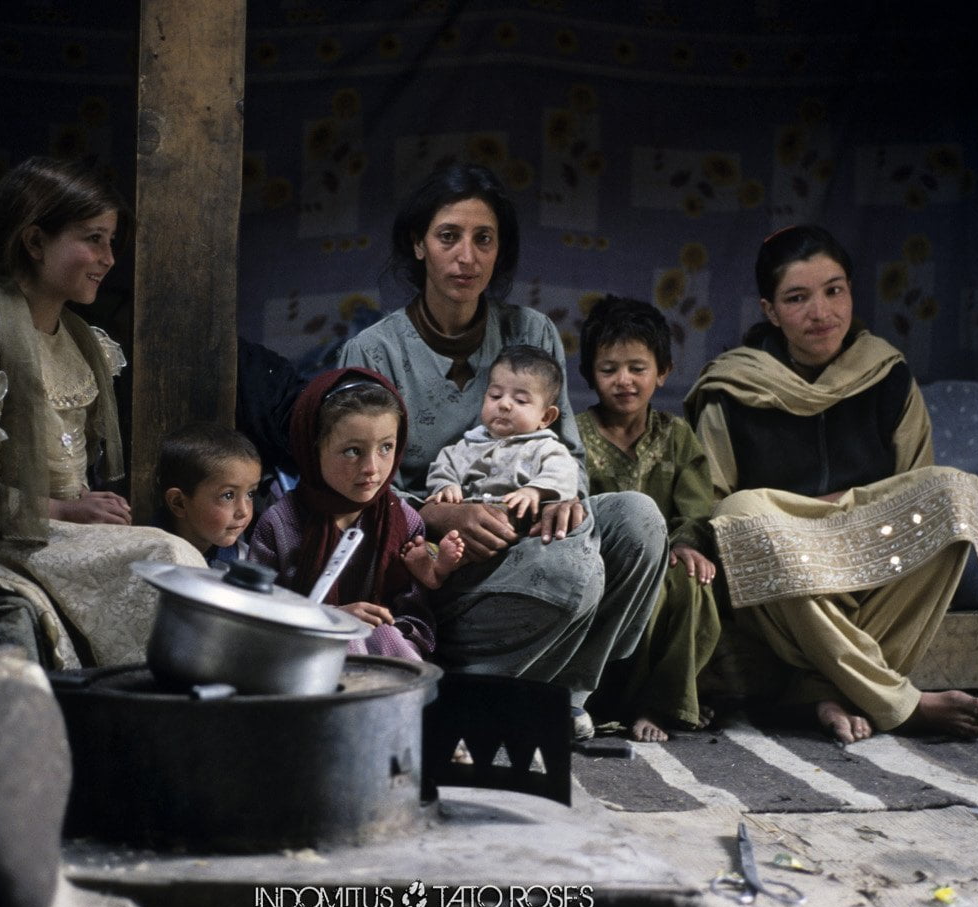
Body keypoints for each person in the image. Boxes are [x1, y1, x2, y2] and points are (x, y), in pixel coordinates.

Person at [337, 162, 666, 740]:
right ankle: (450, 693)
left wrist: (562, 497)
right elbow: (353, 493)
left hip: (528, 533)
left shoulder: (531, 332)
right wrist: (443, 513)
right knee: (570, 573)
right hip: (433, 563)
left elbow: (567, 455)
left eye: (483, 239)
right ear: (419, 245)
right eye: (448, 237)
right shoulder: (374, 350)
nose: (466, 256)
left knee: (638, 519)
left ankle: (562, 694)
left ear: (499, 252)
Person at [0, 155, 203, 668]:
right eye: (93, 239)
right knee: (165, 558)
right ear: (34, 243)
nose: (108, 258)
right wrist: (64, 510)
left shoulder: (81, 342)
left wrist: (82, 507)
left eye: (110, 241)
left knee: (176, 559)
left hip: (56, 530)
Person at [684, 224, 978, 745]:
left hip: (871, 560)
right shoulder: (733, 388)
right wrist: (810, 518)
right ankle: (899, 702)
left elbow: (911, 490)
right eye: (797, 298)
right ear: (770, 310)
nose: (821, 312)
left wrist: (844, 511)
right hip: (781, 579)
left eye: (834, 290)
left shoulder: (888, 376)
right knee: (738, 513)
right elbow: (710, 507)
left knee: (951, 493)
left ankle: (819, 691)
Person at [576, 295, 722, 743]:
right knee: (642, 587)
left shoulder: (675, 436)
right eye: (609, 369)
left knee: (689, 580)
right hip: (604, 565)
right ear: (589, 375)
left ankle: (660, 703)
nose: (624, 381)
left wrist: (685, 544)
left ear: (662, 372)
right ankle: (601, 701)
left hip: (667, 560)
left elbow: (695, 506)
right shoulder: (573, 435)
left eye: (637, 368)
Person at [248, 367, 464, 660]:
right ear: (313, 448)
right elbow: (255, 611)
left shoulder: (405, 521)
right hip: (297, 658)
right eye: (352, 451)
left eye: (386, 447)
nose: (372, 468)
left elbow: (415, 621)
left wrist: (429, 577)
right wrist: (331, 618)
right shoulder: (280, 524)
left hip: (387, 658)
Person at [425, 345, 580, 525]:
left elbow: (564, 473)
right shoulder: (466, 446)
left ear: (545, 417)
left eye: (520, 400)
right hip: (470, 525)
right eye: (495, 396)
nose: (504, 404)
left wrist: (534, 491)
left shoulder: (546, 448)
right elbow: (443, 467)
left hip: (520, 527)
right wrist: (446, 486)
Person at [156, 422, 262, 564]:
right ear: (179, 503)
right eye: (228, 495)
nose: (243, 511)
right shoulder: (147, 556)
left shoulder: (244, 560)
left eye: (250, 494)